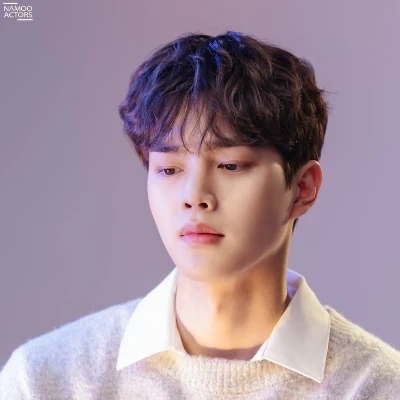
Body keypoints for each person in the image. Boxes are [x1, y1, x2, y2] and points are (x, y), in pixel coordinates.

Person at [1, 30, 399, 399]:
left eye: (230, 166)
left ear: (303, 188)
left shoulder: (373, 386)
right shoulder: (46, 379)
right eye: (169, 170)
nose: (194, 197)